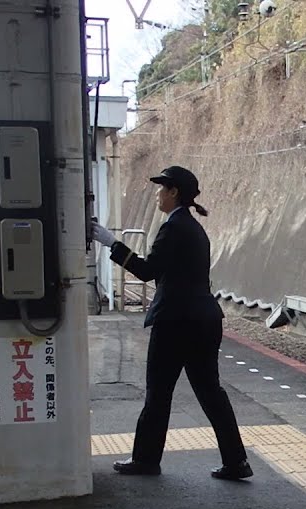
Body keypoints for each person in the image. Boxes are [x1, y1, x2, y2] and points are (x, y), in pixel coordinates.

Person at [91, 165, 253, 481]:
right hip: (204, 321)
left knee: (159, 393)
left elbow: (147, 270)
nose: (157, 194)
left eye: (161, 188)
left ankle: (146, 459)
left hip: (176, 324)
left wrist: (112, 243)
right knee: (211, 393)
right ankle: (236, 461)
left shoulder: (174, 228)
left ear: (173, 192)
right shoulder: (193, 229)